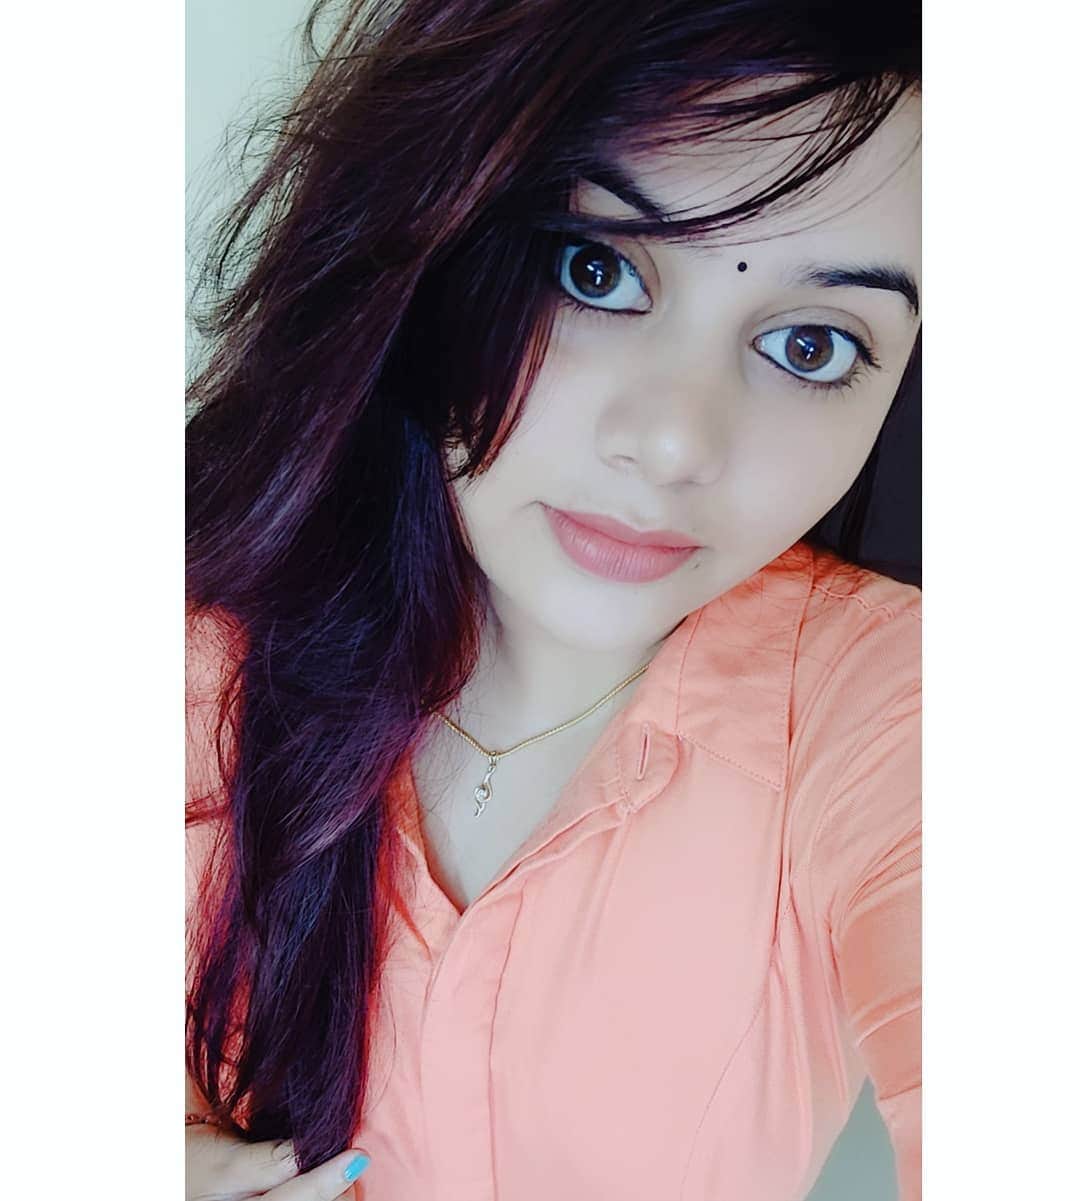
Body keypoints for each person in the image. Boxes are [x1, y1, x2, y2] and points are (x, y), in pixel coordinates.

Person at [185, 1, 922, 1198]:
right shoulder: (192, 628)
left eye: (813, 346)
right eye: (597, 269)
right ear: (433, 235)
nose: (674, 442)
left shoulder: (888, 710)